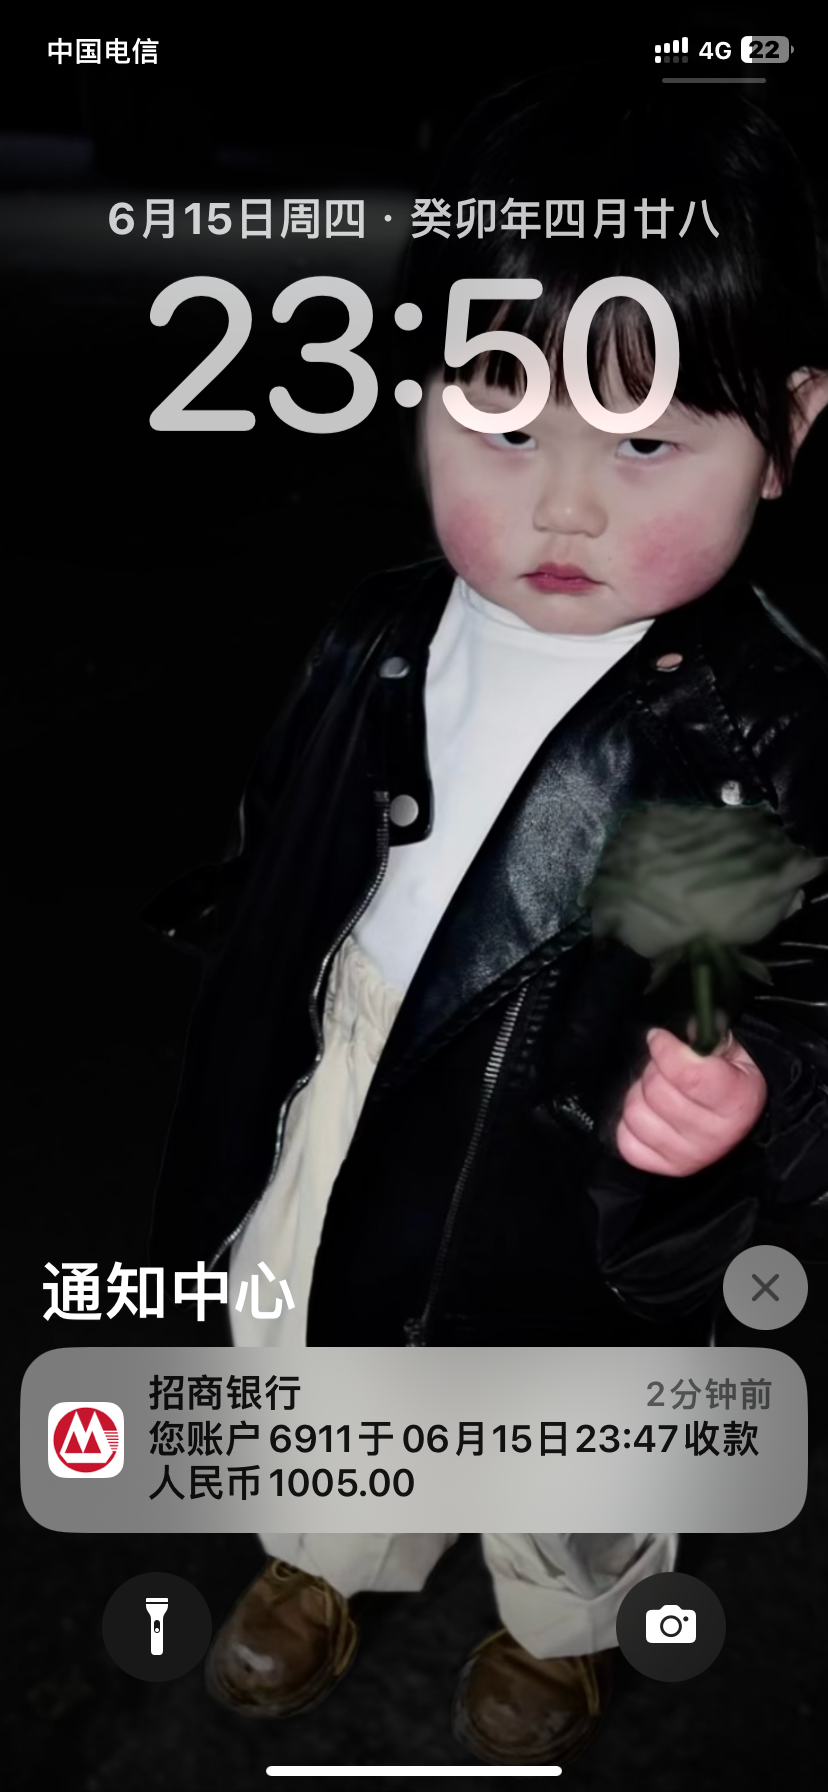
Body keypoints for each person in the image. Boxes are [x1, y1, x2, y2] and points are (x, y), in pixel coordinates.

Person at [143, 74, 828, 1767]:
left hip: (563, 1117)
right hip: (350, 1050)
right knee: (306, 1324)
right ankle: (329, 1548)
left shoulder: (728, 727)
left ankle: (561, 1618)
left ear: (788, 433)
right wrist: (239, 938)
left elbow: (742, 983)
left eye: (647, 443)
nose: (566, 506)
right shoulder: (380, 631)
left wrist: (742, 1089)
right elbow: (286, 832)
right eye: (506, 423)